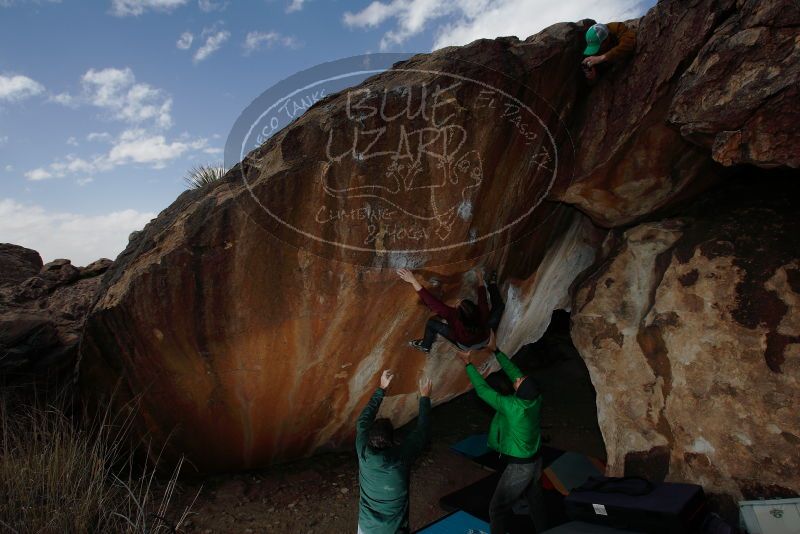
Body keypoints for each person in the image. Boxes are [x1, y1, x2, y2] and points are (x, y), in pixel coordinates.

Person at [457, 333, 545, 533]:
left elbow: (483, 391)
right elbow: (515, 373)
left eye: (520, 381)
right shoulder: (534, 399)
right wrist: (495, 350)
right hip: (536, 458)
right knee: (534, 498)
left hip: (521, 466)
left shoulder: (513, 407)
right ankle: (544, 529)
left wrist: (468, 364)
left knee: (497, 508)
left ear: (520, 392)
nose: (518, 378)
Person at [356, 369, 432, 534]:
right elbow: (422, 431)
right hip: (394, 529)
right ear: (392, 440)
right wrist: (424, 397)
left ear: (369, 438)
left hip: (367, 527)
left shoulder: (362, 451)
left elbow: (363, 420)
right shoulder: (401, 457)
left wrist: (381, 388)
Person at [397, 268, 505, 354]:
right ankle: (492, 284)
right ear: (476, 308)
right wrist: (480, 278)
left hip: (464, 344)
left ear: (459, 316)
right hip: (485, 340)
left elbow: (433, 303)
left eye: (458, 305)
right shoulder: (483, 313)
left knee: (432, 323)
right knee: (499, 306)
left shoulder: (454, 317)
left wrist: (413, 281)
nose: (457, 302)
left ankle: (426, 346)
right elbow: (483, 299)